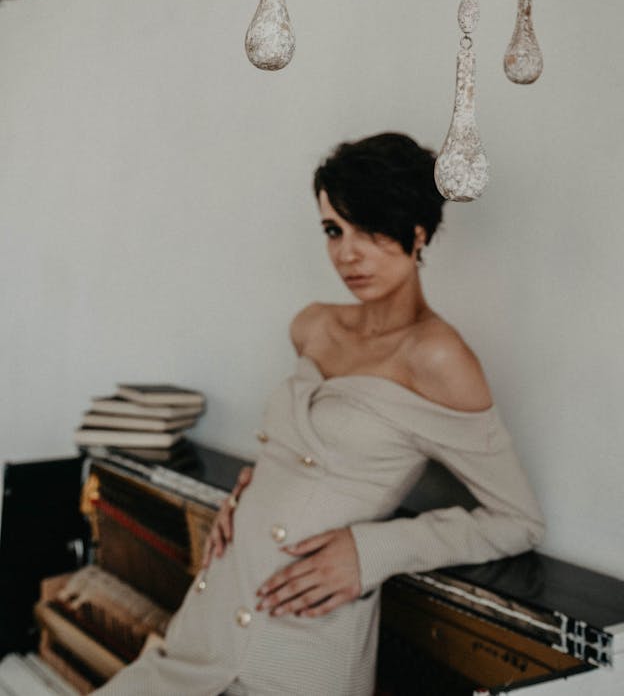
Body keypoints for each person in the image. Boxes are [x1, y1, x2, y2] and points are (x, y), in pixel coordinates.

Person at [94, 133, 544, 696]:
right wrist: (251, 490)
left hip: (299, 649)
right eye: (334, 230)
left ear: (418, 231)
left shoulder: (438, 358)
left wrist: (371, 549)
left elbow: (519, 520)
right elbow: (306, 456)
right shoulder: (312, 326)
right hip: (208, 623)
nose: (346, 254)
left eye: (371, 230)